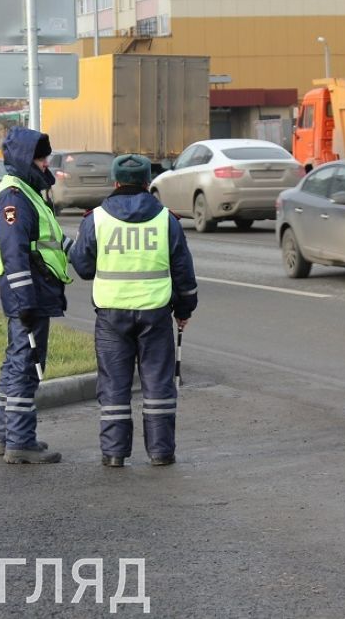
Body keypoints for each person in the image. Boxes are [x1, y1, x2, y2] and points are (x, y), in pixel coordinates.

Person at [68, 154, 198, 467]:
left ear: (115, 182)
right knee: (157, 385)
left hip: (112, 315)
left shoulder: (96, 219)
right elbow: (183, 274)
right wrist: (184, 309)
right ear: (146, 182)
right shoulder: (166, 220)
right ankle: (161, 452)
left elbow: (83, 267)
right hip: (155, 314)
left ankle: (114, 454)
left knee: (114, 385)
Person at [0, 127, 73, 464]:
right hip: (29, 295)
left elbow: (48, 239)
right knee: (26, 365)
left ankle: (8, 436)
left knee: (15, 363)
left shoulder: (26, 191)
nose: (45, 162)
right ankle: (20, 442)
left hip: (32, 293)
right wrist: (24, 300)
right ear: (26, 158)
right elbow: (14, 252)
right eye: (40, 156)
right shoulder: (14, 196)